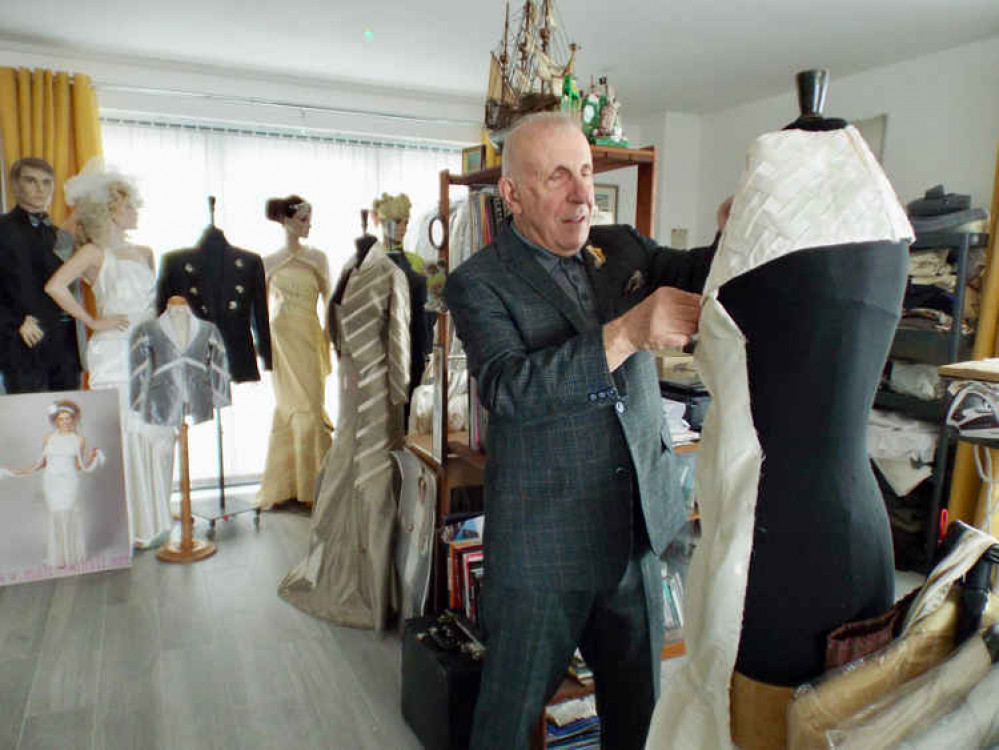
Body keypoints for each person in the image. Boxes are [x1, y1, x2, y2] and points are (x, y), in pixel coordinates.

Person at [443, 111, 727, 749]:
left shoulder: (622, 246)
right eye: (558, 177)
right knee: (507, 725)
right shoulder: (478, 282)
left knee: (640, 716)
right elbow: (510, 390)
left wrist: (735, 232)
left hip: (636, 531)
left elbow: (699, 271)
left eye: (589, 173)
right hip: (544, 550)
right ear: (512, 194)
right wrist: (628, 332)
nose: (582, 195)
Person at [279, 219, 411, 631]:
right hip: (352, 383)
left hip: (377, 388)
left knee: (371, 473)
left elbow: (400, 337)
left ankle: (372, 587)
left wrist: (400, 396)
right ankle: (345, 569)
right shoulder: (350, 266)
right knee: (346, 465)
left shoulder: (391, 273)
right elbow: (335, 325)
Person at [45, 161, 175, 549]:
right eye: (130, 205)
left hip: (148, 346)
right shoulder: (93, 252)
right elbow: (55, 286)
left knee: (155, 434)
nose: (136, 211)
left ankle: (154, 519)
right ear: (112, 211)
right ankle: (128, 525)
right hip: (114, 350)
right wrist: (92, 322)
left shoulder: (146, 252)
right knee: (124, 433)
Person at [256, 195, 333, 510]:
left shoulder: (318, 258)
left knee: (312, 407)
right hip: (282, 338)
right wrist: (261, 346)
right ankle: (288, 486)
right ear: (285, 221)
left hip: (310, 335)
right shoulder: (267, 262)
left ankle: (316, 485)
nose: (307, 225)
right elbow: (258, 309)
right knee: (289, 408)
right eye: (301, 219)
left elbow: (331, 301)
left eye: (309, 218)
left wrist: (330, 338)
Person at [0, 157, 82, 393]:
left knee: (69, 418)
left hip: (65, 347)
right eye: (31, 181)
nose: (40, 188)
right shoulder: (2, 229)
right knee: (29, 424)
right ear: (15, 185)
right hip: (23, 343)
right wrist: (14, 321)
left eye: (47, 182)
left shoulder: (60, 235)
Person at [0, 399, 105, 568]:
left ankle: (72, 555)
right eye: (61, 419)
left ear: (73, 419)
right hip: (51, 481)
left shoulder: (79, 439)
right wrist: (16, 471)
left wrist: (93, 458)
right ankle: (58, 557)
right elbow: (42, 463)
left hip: (70, 481)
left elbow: (79, 466)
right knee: (56, 516)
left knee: (68, 514)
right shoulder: (48, 437)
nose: (65, 422)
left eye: (68, 418)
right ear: (56, 421)